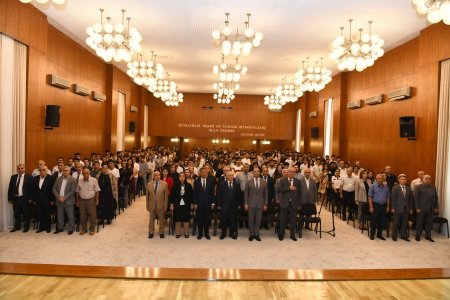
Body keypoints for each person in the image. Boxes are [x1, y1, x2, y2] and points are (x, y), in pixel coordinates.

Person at [277, 167, 302, 241]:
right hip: (284, 203)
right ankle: (281, 234)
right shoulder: (282, 180)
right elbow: (279, 190)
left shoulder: (298, 181)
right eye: (290, 171)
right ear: (287, 172)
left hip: (294, 204)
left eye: (293, 172)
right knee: (282, 220)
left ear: (295, 173)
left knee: (293, 220)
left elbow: (300, 194)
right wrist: (289, 188)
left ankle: (292, 235)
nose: (291, 173)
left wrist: (299, 204)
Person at [8, 164, 33, 232]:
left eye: (22, 168)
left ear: (25, 169)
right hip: (15, 198)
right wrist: (9, 198)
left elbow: (31, 189)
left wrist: (30, 198)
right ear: (17, 169)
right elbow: (10, 188)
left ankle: (26, 227)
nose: (20, 169)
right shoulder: (13, 177)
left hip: (24, 198)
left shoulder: (29, 177)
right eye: (19, 168)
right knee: (16, 213)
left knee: (26, 214)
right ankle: (17, 226)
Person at [244, 167, 268, 241]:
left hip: (260, 204)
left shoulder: (264, 182)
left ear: (260, 172)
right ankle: (251, 234)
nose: (256, 172)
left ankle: (256, 234)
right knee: (251, 220)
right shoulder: (248, 181)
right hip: (251, 203)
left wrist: (265, 204)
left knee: (258, 220)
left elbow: (266, 194)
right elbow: (246, 193)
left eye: (258, 171)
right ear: (253, 173)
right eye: (255, 171)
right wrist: (245, 203)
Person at [52, 166, 77, 235]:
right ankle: (60, 228)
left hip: (68, 200)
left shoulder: (73, 179)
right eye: (64, 170)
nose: (65, 172)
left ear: (69, 171)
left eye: (67, 170)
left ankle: (71, 228)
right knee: (60, 215)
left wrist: (64, 198)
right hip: (59, 200)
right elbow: (54, 189)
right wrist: (58, 197)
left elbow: (72, 191)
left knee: (70, 216)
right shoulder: (58, 179)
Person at [414, 174, 439, 242]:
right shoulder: (418, 187)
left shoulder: (433, 187)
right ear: (423, 179)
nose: (428, 179)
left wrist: (436, 207)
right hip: (421, 208)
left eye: (429, 178)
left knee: (429, 223)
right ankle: (417, 235)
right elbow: (416, 198)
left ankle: (428, 236)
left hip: (431, 208)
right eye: (426, 178)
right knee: (420, 222)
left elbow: (436, 198)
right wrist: (417, 208)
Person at [193, 167, 216, 240]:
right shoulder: (196, 181)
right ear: (200, 173)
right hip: (199, 204)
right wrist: (195, 203)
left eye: (205, 172)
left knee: (207, 219)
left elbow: (213, 193)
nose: (204, 173)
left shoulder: (211, 181)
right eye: (202, 172)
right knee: (199, 219)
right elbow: (195, 194)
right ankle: (200, 233)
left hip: (208, 204)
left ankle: (206, 233)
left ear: (207, 173)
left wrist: (213, 203)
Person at [216, 170, 240, 239]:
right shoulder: (222, 184)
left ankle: (231, 233)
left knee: (233, 220)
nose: (231, 177)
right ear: (226, 176)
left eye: (232, 175)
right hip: (224, 205)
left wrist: (238, 204)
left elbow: (238, 196)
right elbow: (219, 195)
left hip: (234, 206)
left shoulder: (237, 184)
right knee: (224, 221)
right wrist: (219, 205)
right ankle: (223, 234)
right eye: (229, 175)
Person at [77, 167, 101, 235]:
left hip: (91, 200)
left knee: (92, 215)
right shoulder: (80, 180)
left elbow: (97, 191)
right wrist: (77, 201)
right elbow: (77, 191)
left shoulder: (94, 180)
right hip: (81, 200)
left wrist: (97, 200)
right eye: (84, 173)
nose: (85, 175)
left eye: (87, 173)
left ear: (89, 173)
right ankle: (83, 229)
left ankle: (92, 229)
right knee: (82, 216)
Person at [170, 172, 193, 238]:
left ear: (185, 177)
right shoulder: (175, 185)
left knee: (186, 219)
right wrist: (171, 204)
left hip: (186, 204)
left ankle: (186, 233)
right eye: (180, 176)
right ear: (179, 177)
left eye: (183, 176)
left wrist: (191, 203)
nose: (181, 177)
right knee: (178, 219)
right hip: (177, 204)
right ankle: (178, 233)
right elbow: (172, 196)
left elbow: (191, 196)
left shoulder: (189, 185)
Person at [390, 174, 413, 242]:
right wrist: (393, 208)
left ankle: (404, 236)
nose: (403, 180)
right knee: (396, 223)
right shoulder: (395, 188)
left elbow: (410, 199)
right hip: (397, 208)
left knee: (405, 223)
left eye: (405, 179)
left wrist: (411, 208)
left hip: (406, 209)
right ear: (399, 180)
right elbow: (393, 199)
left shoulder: (408, 188)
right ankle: (394, 236)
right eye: (402, 179)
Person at [146, 171, 168, 239]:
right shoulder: (149, 184)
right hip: (152, 205)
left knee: (161, 220)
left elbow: (166, 197)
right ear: (153, 176)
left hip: (161, 205)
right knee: (151, 220)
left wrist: (165, 206)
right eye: (156, 175)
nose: (157, 176)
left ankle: (161, 232)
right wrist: (147, 205)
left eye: (159, 175)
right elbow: (147, 196)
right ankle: (151, 232)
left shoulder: (164, 184)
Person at [368, 174, 390, 240]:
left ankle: (379, 235)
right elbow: (370, 197)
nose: (380, 180)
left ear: (383, 179)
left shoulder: (386, 187)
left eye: (381, 178)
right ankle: (372, 234)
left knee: (382, 221)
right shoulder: (372, 186)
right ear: (376, 179)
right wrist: (371, 207)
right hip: (375, 205)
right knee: (374, 221)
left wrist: (388, 206)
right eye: (379, 179)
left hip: (383, 206)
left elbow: (388, 197)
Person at [32, 166, 55, 233]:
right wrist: (34, 199)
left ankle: (48, 227)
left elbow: (52, 190)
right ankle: (41, 227)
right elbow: (34, 190)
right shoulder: (35, 178)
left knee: (47, 214)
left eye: (44, 170)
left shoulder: (51, 178)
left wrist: (52, 200)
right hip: (38, 200)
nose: (42, 171)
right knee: (40, 214)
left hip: (47, 200)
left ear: (47, 171)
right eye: (41, 170)